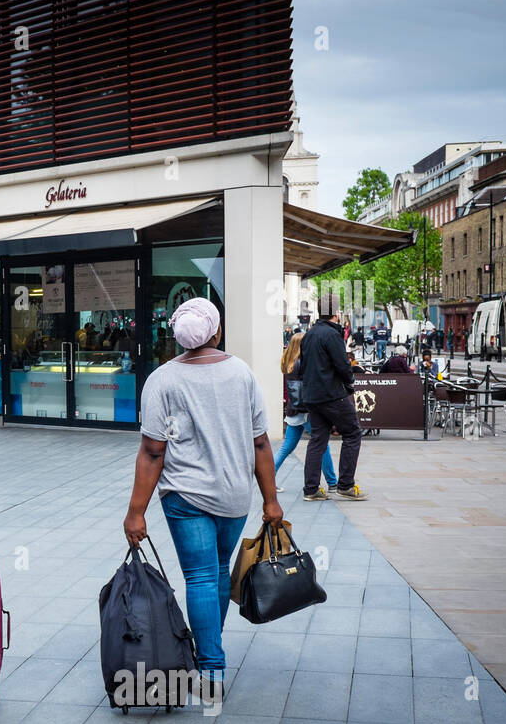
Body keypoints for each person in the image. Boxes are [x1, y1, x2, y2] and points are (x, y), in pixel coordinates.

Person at [124, 298, 281, 699]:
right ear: (216, 331)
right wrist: (271, 501)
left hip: (185, 496)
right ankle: (211, 653)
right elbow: (260, 443)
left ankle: (211, 670)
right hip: (234, 495)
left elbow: (153, 451)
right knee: (216, 572)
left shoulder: (161, 380)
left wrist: (135, 513)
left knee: (201, 578)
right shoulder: (242, 373)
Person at [298, 310, 367, 501]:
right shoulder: (332, 334)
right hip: (331, 393)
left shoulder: (309, 334)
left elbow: (303, 365)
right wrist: (350, 380)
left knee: (318, 439)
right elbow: (342, 365)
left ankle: (311, 489)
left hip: (312, 395)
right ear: (336, 313)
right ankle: (345, 485)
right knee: (353, 433)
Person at [275, 332, 337, 494]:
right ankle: (332, 482)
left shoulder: (288, 363)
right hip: (308, 410)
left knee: (286, 447)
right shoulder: (304, 364)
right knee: (322, 445)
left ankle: (268, 479)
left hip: (294, 410)